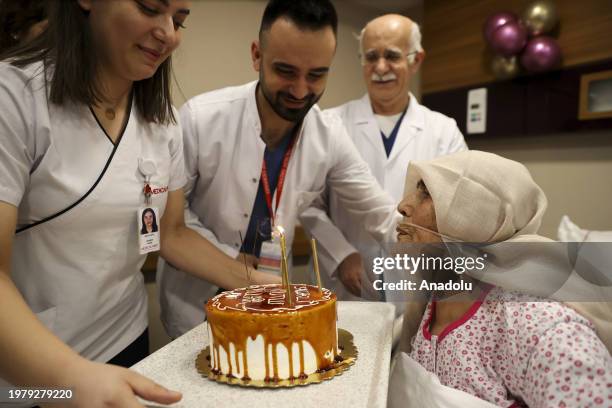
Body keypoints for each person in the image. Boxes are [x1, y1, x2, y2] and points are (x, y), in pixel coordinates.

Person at [0, 1, 276, 407]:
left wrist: (260, 287)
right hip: (33, 373)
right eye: (150, 7)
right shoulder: (16, 98)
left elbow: (173, 233)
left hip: (127, 344)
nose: (168, 33)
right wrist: (71, 379)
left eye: (179, 21)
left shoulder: (161, 120)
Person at [157, 0, 398, 339]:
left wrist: (453, 251)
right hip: (195, 303)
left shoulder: (328, 136)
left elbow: (379, 213)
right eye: (285, 71)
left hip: (270, 308)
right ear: (257, 55)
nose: (300, 91)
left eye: (316, 75)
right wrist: (239, 268)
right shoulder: (200, 119)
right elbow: (173, 225)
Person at [388, 150, 611, 407]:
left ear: (474, 217)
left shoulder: (539, 326)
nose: (402, 205)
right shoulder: (431, 300)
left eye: (426, 193)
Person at [300, 14, 467, 302]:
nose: (380, 67)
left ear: (416, 59)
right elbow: (307, 202)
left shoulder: (443, 131)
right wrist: (341, 255)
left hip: (418, 284)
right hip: (346, 288)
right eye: (371, 56)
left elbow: (458, 208)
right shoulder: (329, 123)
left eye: (391, 56)